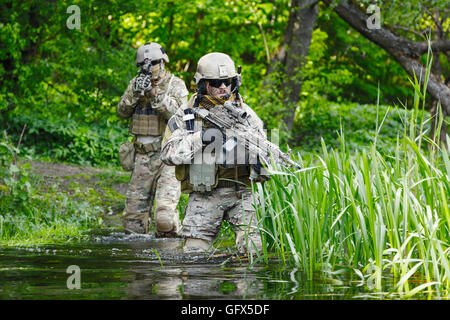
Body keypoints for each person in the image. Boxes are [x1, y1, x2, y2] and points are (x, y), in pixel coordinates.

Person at [160, 52, 267, 254]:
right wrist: (201, 138)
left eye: (227, 81)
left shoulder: (246, 114)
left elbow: (267, 154)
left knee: (254, 250)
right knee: (195, 255)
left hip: (243, 193)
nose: (223, 87)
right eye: (216, 82)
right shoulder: (187, 114)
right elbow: (167, 153)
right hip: (205, 194)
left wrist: (255, 150)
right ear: (203, 84)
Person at [117, 42, 188, 237]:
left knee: (165, 218)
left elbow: (180, 117)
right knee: (133, 223)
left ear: (163, 62)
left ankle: (170, 259)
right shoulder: (135, 83)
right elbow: (121, 112)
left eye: (155, 63)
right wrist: (135, 94)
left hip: (168, 157)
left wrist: (155, 95)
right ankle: (140, 262)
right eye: (145, 64)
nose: (151, 68)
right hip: (142, 156)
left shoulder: (176, 84)